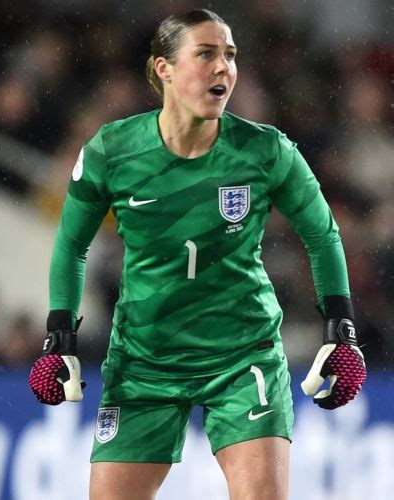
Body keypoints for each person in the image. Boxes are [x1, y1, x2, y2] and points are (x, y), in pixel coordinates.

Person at [28, 9, 367, 500]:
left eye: (230, 55)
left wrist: (342, 331)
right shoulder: (112, 151)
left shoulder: (266, 150)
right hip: (144, 361)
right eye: (206, 54)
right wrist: (59, 336)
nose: (223, 66)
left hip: (242, 359)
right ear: (164, 68)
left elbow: (323, 235)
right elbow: (71, 245)